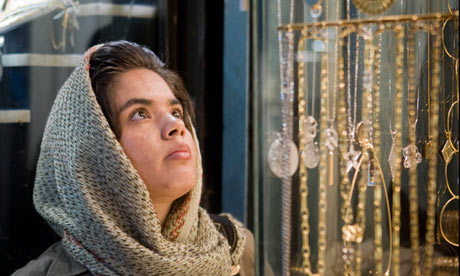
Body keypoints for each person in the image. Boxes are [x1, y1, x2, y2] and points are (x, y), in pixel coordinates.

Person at [12, 41, 254, 276]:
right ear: (96, 152)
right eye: (140, 114)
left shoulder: (234, 248)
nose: (176, 126)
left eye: (175, 111)